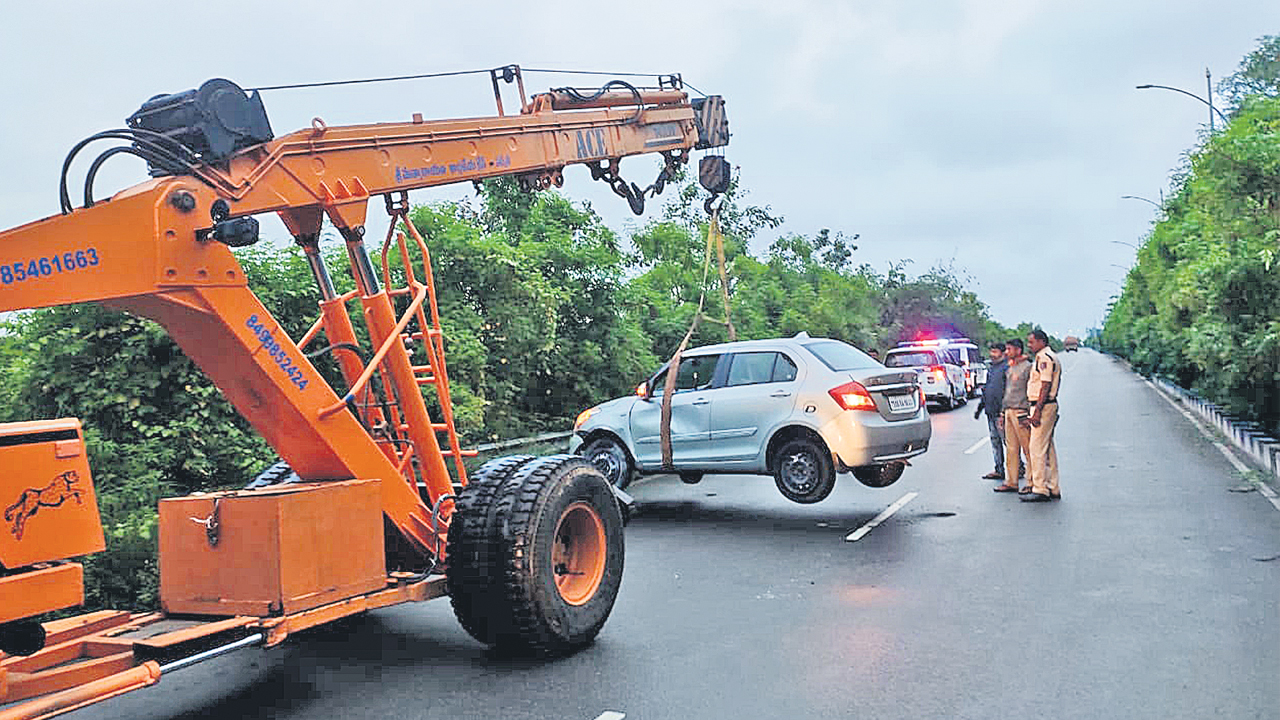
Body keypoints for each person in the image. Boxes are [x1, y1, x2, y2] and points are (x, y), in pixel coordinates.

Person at [1021, 329, 1062, 502]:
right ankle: (1053, 486)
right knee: (1048, 448)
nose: (1029, 346)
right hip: (1046, 405)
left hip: (1043, 406)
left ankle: (1040, 488)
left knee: (1036, 447)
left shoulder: (1044, 358)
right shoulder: (1049, 356)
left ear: (1041, 342)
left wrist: (1036, 411)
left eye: (1031, 342)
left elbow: (1045, 385)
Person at [993, 338, 1032, 493]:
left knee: (1028, 449)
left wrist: (1030, 414)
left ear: (1018, 350)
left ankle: (1032, 482)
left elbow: (1031, 392)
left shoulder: (1028, 368)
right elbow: (1006, 392)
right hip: (1009, 410)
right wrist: (1002, 413)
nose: (1007, 352)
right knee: (1011, 449)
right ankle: (1011, 481)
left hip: (1021, 411)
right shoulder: (1010, 368)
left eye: (1010, 349)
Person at [973, 342, 1008, 479]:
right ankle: (999, 468)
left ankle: (1018, 468)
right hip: (990, 411)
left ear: (1003, 353)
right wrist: (980, 408)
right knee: (995, 441)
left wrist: (1003, 411)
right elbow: (987, 390)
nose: (992, 355)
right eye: (991, 352)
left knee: (1008, 442)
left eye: (995, 352)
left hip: (1002, 412)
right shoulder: (992, 369)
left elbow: (1008, 392)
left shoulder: (1007, 368)